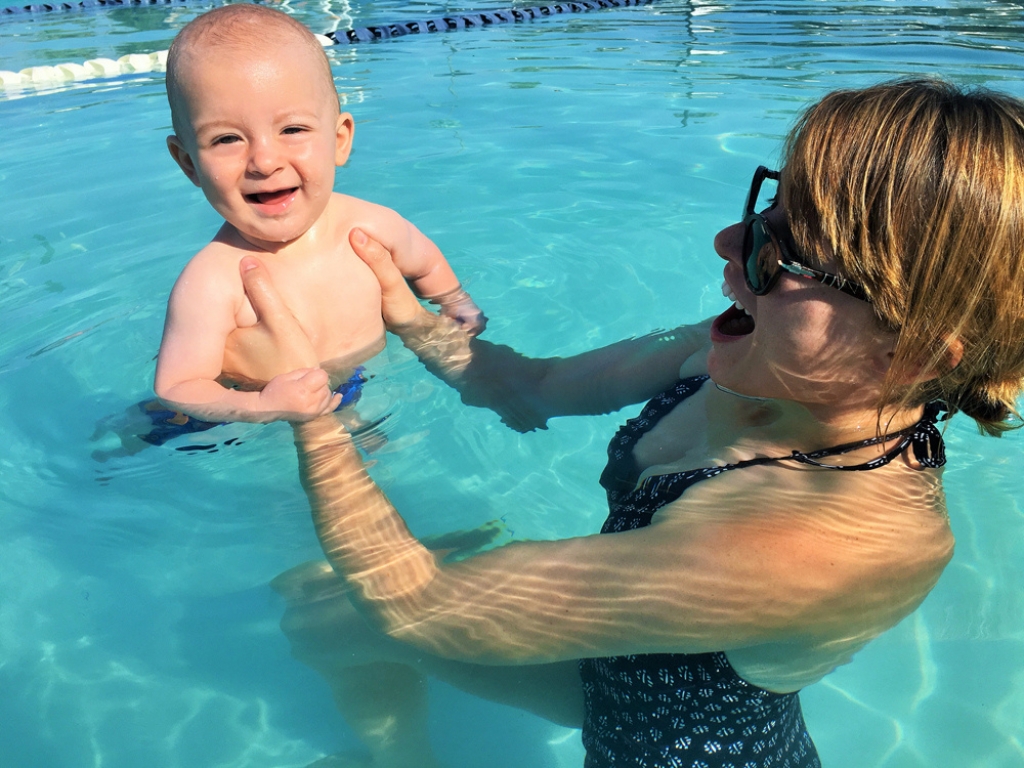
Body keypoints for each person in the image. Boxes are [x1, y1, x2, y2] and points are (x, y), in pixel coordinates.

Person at [232, 79, 1024, 767]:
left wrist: (311, 412)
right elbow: (532, 388)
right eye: (767, 207)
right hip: (624, 671)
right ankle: (402, 758)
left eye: (779, 253)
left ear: (912, 353)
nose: (728, 243)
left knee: (347, 614)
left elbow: (422, 607)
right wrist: (407, 316)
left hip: (672, 748)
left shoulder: (826, 546)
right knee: (321, 615)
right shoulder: (747, 350)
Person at [154, 4, 485, 429]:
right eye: (227, 139)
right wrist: (262, 405)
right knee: (151, 431)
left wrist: (454, 301)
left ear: (340, 140)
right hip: (250, 399)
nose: (265, 161)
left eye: (292, 129)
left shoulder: (370, 226)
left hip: (360, 382)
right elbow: (179, 385)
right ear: (188, 164)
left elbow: (426, 264)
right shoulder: (212, 281)